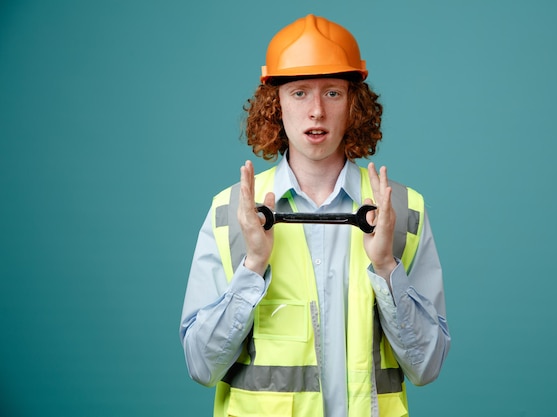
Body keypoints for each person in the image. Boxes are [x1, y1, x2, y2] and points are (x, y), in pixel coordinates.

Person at [180, 14, 450, 417]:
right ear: (276, 105)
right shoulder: (228, 212)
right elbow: (202, 366)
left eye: (333, 94)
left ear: (354, 105)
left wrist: (386, 266)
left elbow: (426, 367)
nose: (317, 112)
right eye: (300, 93)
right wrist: (253, 266)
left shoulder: (403, 211)